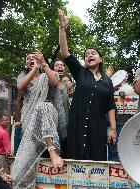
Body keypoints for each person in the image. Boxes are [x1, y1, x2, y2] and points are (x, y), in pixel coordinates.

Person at [59, 10, 117, 161]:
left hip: (97, 129)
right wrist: (62, 28)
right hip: (76, 127)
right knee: (74, 163)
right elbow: (65, 52)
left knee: (96, 166)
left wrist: (113, 129)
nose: (89, 55)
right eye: (86, 54)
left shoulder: (107, 82)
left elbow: (110, 106)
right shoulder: (80, 73)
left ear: (100, 59)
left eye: (93, 53)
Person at [11, 51, 65, 188]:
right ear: (26, 63)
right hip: (29, 118)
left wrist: (43, 65)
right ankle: (21, 184)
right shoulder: (23, 76)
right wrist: (34, 68)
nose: (31, 59)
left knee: (43, 106)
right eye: (28, 58)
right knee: (27, 158)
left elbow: (54, 81)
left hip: (48, 115)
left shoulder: (45, 75)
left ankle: (53, 150)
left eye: (34, 58)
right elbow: (20, 87)